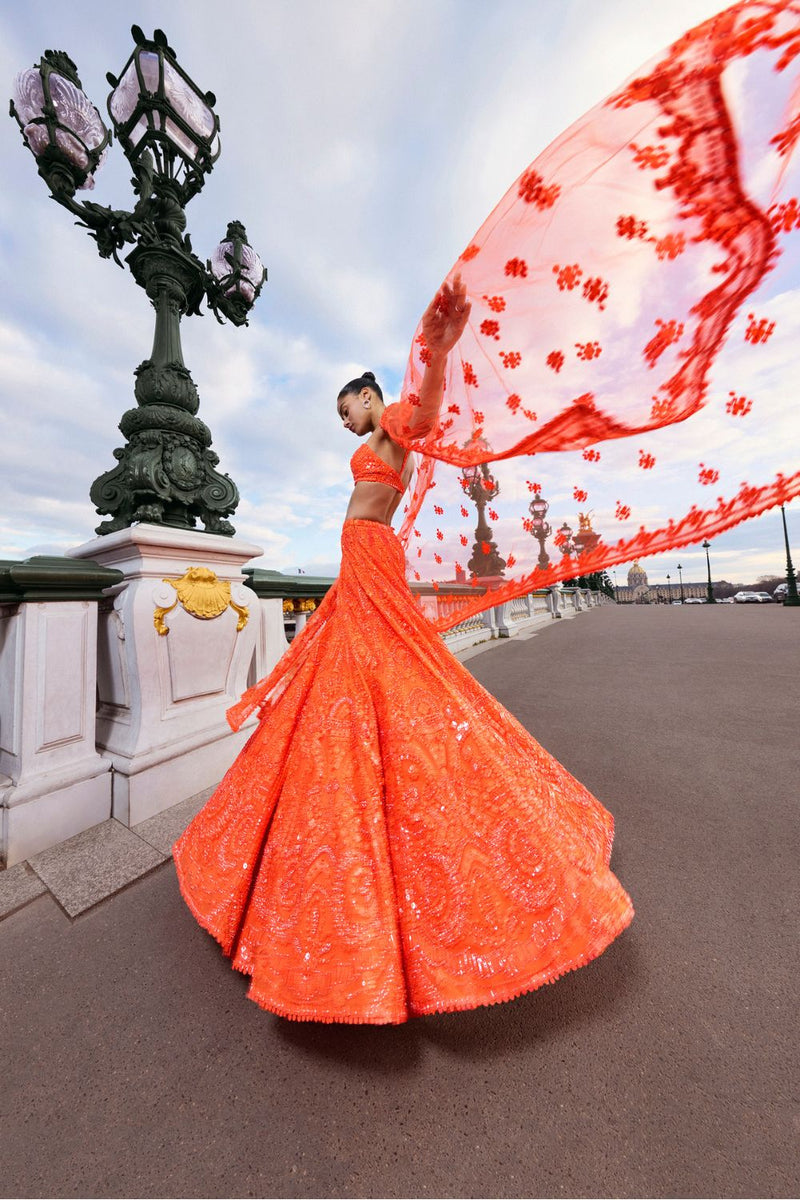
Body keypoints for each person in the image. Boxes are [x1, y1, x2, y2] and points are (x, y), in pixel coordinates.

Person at [173, 274, 634, 1025]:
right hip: (366, 559)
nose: (342, 420)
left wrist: (442, 350)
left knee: (386, 682)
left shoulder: (390, 420)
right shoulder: (379, 438)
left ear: (364, 393)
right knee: (370, 681)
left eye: (342, 406)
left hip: (369, 557)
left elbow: (422, 411)